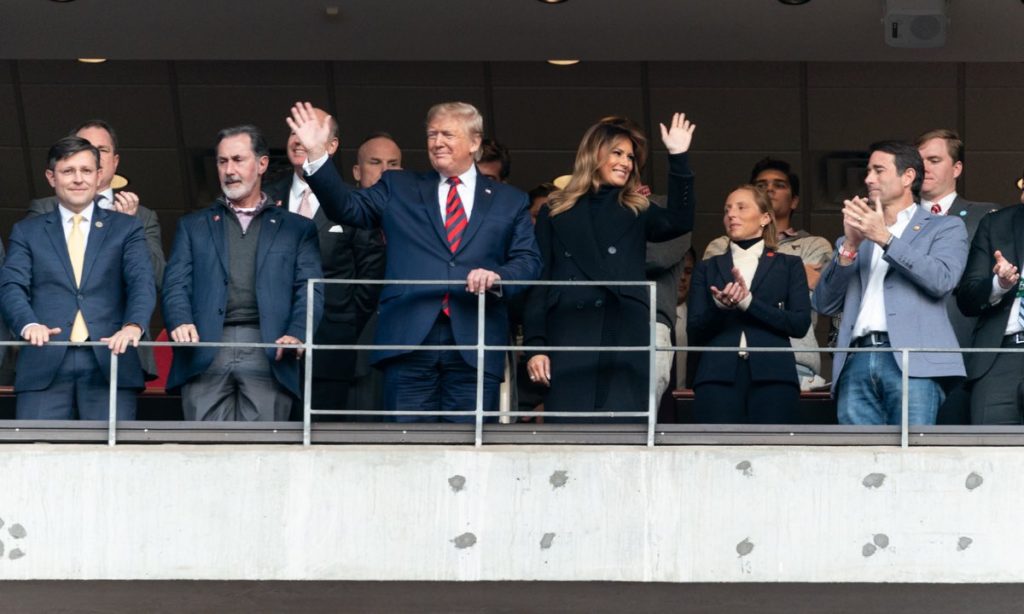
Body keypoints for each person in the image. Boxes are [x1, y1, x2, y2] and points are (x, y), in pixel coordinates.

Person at [288, 101, 541, 422]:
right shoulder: (399, 186)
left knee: (471, 445)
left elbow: (528, 260)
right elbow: (346, 207)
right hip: (408, 339)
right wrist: (316, 155)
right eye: (432, 135)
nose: (437, 142)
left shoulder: (509, 200)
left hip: (475, 339)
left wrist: (498, 277)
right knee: (406, 444)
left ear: (474, 142)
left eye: (448, 134)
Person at [523, 113, 696, 419]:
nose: (626, 162)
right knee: (570, 433)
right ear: (594, 154)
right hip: (571, 334)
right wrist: (536, 345)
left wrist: (678, 157)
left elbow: (680, 221)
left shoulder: (637, 209)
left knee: (624, 431)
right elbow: (541, 283)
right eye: (617, 153)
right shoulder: (555, 210)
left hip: (624, 336)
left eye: (630, 157)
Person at [162, 125, 324, 421]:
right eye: (222, 161)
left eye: (238, 160)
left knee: (264, 444)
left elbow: (309, 289)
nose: (229, 170)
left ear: (262, 164)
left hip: (270, 346)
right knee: (205, 444)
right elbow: (175, 284)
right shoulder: (192, 225)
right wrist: (180, 319)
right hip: (205, 345)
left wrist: (298, 333)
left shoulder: (296, 228)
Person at [812, 141, 968, 426]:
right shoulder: (856, 235)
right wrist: (849, 247)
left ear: (908, 176)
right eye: (868, 171)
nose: (868, 179)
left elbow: (942, 280)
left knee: (912, 451)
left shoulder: (944, 226)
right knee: (860, 452)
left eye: (878, 170)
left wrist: (884, 238)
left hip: (913, 361)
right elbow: (824, 304)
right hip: (856, 358)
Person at [0, 136, 156, 419]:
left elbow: (141, 282)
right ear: (51, 177)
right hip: (43, 357)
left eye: (86, 170)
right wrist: (28, 323)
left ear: (99, 175)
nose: (78, 179)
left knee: (111, 448)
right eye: (68, 171)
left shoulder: (126, 227)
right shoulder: (26, 231)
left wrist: (134, 326)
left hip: (110, 355)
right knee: (39, 446)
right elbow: (12, 285)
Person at [266, 114, 388, 419]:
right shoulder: (267, 197)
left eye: (310, 132)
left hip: (331, 345)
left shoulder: (353, 201)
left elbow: (369, 278)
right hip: (271, 344)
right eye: (294, 132)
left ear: (331, 146)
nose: (299, 139)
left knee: (323, 435)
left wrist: (343, 324)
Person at [28, 119, 165, 381]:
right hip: (55, 345)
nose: (92, 155)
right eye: (84, 146)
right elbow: (30, 275)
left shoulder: (142, 216)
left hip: (119, 346)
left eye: (101, 150)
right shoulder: (44, 209)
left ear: (115, 161)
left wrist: (126, 228)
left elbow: (157, 278)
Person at [704, 158, 831, 390]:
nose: (769, 189)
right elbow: (715, 294)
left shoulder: (815, 244)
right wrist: (795, 274)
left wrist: (746, 287)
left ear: (794, 201)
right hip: (728, 357)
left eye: (779, 185)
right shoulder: (719, 245)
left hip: (795, 358)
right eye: (761, 185)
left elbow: (813, 299)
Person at [688, 186, 811, 423]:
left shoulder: (789, 265)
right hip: (716, 375)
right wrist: (720, 308)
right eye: (727, 210)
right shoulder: (707, 267)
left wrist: (748, 303)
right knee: (715, 445)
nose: (731, 214)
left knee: (773, 445)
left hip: (774, 374)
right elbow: (694, 329)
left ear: (765, 218)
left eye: (741, 207)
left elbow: (799, 324)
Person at [915, 129, 1000, 424]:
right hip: (908, 354)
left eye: (934, 160)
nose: (925, 168)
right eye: (919, 161)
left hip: (966, 351)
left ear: (957, 168)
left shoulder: (988, 216)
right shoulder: (896, 219)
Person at [956, 165, 1024, 424]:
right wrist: (999, 284)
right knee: (989, 444)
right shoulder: (996, 224)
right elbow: (967, 298)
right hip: (1000, 357)